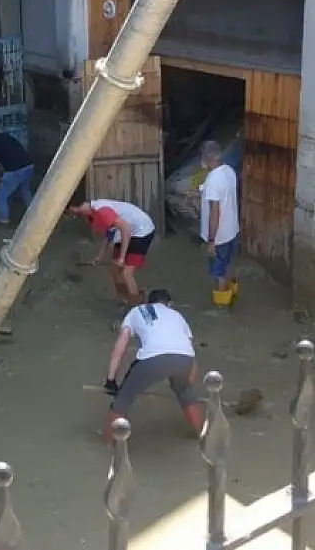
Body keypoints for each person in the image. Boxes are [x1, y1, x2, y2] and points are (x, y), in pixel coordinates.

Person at [102, 289, 203, 440]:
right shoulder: (177, 316)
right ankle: (202, 435)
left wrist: (111, 381)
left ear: (148, 302)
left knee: (123, 399)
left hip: (153, 358)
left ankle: (109, 443)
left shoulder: (137, 311)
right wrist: (187, 384)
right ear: (169, 304)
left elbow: (119, 350)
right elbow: (190, 352)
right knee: (185, 393)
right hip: (185, 358)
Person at [66, 195, 156, 308]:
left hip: (142, 231)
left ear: (83, 204)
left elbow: (125, 229)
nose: (75, 215)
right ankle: (127, 298)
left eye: (75, 211)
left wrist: (122, 257)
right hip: (126, 231)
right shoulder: (92, 214)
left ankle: (136, 307)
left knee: (126, 273)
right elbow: (109, 233)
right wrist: (99, 256)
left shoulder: (102, 210)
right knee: (114, 268)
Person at [199, 140, 240, 308]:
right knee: (228, 263)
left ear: (208, 157)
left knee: (218, 272)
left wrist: (211, 240)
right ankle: (233, 291)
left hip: (219, 235)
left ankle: (222, 305)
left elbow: (214, 212)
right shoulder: (229, 171)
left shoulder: (213, 180)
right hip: (232, 230)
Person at [0, 122, 34, 225]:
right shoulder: (4, 135)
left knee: (1, 196)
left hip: (15, 170)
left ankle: (3, 220)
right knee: (25, 191)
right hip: (29, 165)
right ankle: (35, 214)